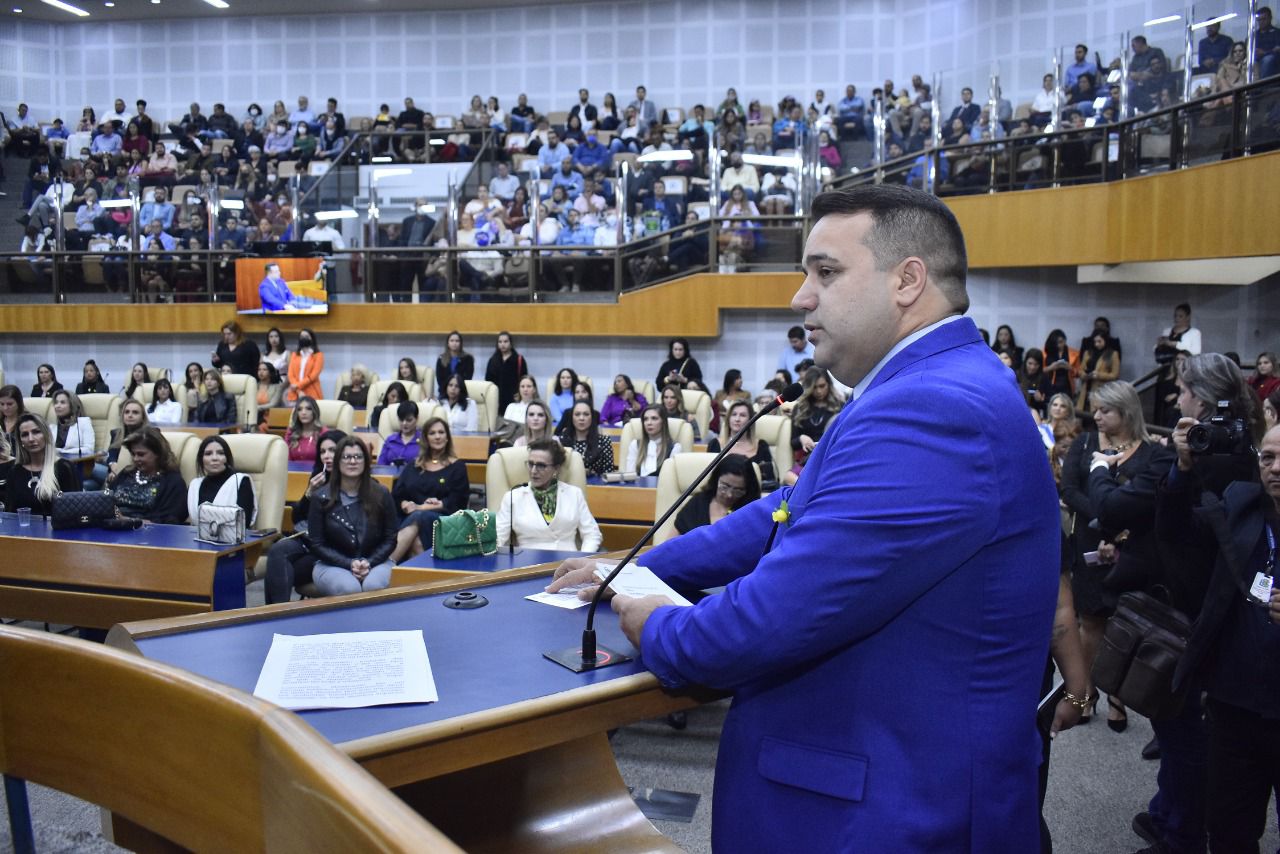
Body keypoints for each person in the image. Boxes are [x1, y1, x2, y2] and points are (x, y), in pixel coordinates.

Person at [549, 185, 1059, 853]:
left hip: (885, 814)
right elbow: (788, 510)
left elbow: (764, 622)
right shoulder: (921, 386)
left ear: (907, 281)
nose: (800, 297)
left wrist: (655, 623)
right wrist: (637, 568)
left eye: (826, 272)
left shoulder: (934, 409)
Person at [1156, 420, 1280, 854]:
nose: (1275, 468)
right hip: (1235, 704)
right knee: (1228, 832)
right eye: (1268, 458)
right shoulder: (1242, 503)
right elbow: (1175, 533)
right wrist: (1183, 468)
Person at [307, 437, 398, 596]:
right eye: (346, 457)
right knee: (349, 589)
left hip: (377, 562)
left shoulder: (382, 493)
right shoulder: (320, 497)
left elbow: (391, 538)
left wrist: (369, 562)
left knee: (373, 585)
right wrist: (349, 563)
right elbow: (316, 544)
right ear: (337, 461)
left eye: (358, 456)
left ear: (366, 461)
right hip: (331, 564)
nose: (353, 461)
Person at [264, 431, 345, 604]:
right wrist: (309, 493)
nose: (327, 456)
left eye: (332, 450)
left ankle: (274, 614)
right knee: (277, 550)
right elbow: (297, 518)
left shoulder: (352, 481)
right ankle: (277, 614)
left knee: (277, 569)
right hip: (308, 541)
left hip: (333, 548)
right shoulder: (319, 477)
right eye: (322, 452)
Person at [496, 439, 601, 551]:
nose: (533, 471)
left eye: (541, 465)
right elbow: (498, 536)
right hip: (527, 559)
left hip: (568, 559)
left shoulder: (574, 494)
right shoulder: (513, 497)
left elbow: (592, 534)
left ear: (556, 468)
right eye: (530, 464)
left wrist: (582, 558)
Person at [390, 417, 469, 562]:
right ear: (425, 438)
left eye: (441, 432)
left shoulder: (457, 467)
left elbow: (457, 502)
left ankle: (388, 564)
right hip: (410, 519)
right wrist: (406, 504)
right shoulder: (414, 465)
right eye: (432, 433)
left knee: (420, 516)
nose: (437, 437)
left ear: (447, 437)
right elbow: (397, 495)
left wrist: (421, 507)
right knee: (416, 542)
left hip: (445, 522)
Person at [3, 414, 80, 516]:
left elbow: (76, 511)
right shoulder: (15, 472)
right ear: (20, 441)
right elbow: (9, 513)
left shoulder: (65, 468)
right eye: (25, 434)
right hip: (22, 526)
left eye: (36, 432)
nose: (31, 439)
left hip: (56, 526)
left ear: (46, 434)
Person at [110, 427, 188, 523]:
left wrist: (128, 520)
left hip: (148, 530)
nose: (135, 459)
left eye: (141, 454)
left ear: (158, 454)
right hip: (113, 526)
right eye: (133, 454)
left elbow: (170, 520)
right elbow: (106, 498)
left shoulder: (173, 482)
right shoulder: (126, 473)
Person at [672, 455, 761, 536]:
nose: (729, 495)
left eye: (738, 490)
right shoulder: (698, 503)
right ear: (716, 480)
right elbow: (670, 542)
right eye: (725, 486)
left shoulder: (750, 511)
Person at [785, 366, 844, 485]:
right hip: (807, 460)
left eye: (822, 386)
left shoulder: (840, 406)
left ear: (829, 384)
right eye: (814, 387)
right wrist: (801, 438)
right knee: (789, 477)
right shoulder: (800, 408)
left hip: (831, 457)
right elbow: (793, 442)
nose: (818, 391)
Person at [186, 435, 256, 526]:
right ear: (201, 459)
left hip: (233, 535)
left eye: (220, 453)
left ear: (227, 458)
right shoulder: (195, 485)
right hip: (196, 535)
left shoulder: (240, 482)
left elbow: (244, 522)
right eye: (208, 454)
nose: (215, 458)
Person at [708, 399, 777, 484]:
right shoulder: (715, 444)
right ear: (728, 418)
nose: (737, 419)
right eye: (734, 414)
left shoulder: (761, 446)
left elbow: (769, 481)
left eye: (742, 415)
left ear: (750, 420)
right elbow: (710, 479)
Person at [557, 401, 615, 477]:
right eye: (577, 414)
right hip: (567, 483)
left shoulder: (604, 441)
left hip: (596, 483)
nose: (581, 418)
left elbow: (609, 473)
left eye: (586, 414)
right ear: (572, 417)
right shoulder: (561, 441)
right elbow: (556, 472)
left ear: (592, 417)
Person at [624, 404, 682, 477]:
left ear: (663, 422)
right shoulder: (635, 444)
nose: (649, 423)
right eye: (645, 419)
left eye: (654, 418)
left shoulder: (675, 448)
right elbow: (630, 475)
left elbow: (671, 478)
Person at [1075, 331, 1121, 414]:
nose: (1097, 344)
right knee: (1082, 413)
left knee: (1097, 412)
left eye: (1099, 341)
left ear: (1105, 340)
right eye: (1095, 342)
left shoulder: (1113, 354)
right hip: (1086, 387)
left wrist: (1099, 375)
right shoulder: (1088, 352)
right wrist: (1083, 375)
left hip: (1101, 389)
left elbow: (1115, 375)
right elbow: (1080, 370)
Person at [484, 331, 529, 411]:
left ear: (510, 343)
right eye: (500, 342)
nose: (503, 344)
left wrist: (520, 393)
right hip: (496, 399)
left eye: (505, 341)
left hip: (514, 399)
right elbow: (488, 380)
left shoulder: (519, 360)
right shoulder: (493, 360)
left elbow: (524, 379)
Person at [50, 390, 95, 459]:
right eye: (56, 402)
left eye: (62, 402)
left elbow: (89, 449)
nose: (57, 406)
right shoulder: (52, 425)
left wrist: (62, 452)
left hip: (78, 462)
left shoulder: (83, 422)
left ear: (72, 405)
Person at [377, 401, 421, 467]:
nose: (404, 423)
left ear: (417, 418)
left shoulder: (423, 440)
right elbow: (381, 466)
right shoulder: (390, 440)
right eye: (401, 420)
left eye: (409, 420)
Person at [286, 328, 323, 403]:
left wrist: (297, 385)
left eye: (306, 336)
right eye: (302, 336)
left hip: (312, 392)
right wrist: (298, 391)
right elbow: (290, 375)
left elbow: (313, 376)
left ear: (312, 338)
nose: (304, 338)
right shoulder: (294, 355)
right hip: (295, 393)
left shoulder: (318, 355)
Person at [285, 396, 326, 463]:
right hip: (293, 469)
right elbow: (286, 459)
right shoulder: (291, 432)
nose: (303, 413)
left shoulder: (323, 433)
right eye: (299, 409)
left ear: (314, 411)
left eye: (308, 409)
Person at [435, 331, 474, 399]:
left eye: (457, 341)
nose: (454, 343)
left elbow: (468, 378)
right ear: (448, 343)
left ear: (461, 343)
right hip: (444, 393)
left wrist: (457, 390)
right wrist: (448, 391)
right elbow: (440, 380)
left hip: (462, 393)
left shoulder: (468, 359)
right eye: (452, 341)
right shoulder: (441, 359)